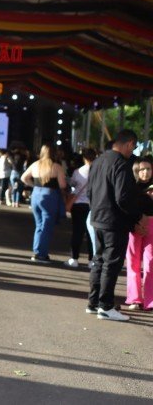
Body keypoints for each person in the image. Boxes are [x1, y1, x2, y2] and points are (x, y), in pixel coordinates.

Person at [87, 129, 140, 321]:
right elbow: (123, 198)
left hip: (97, 218)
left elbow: (90, 190)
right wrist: (135, 216)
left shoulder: (98, 161)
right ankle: (106, 306)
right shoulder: (121, 164)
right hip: (114, 221)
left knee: (98, 261)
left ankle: (94, 303)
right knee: (111, 264)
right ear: (128, 143)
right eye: (133, 146)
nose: (132, 151)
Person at [20, 143, 67, 263]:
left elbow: (23, 178)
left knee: (39, 225)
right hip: (50, 196)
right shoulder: (56, 166)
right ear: (54, 153)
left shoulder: (35, 164)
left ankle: (37, 251)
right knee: (47, 226)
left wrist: (34, 185)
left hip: (36, 195)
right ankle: (42, 254)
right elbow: (62, 185)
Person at [125, 157, 153, 311]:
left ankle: (150, 299)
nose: (146, 172)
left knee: (151, 262)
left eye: (148, 169)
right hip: (134, 225)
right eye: (142, 169)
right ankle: (135, 298)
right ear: (136, 171)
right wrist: (134, 223)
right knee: (133, 262)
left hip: (152, 223)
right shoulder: (130, 186)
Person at [66, 148, 96, 268]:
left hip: (78, 204)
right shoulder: (98, 171)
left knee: (77, 232)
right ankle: (91, 260)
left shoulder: (77, 171)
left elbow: (72, 184)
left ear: (84, 158)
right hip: (93, 205)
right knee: (92, 234)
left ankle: (74, 259)